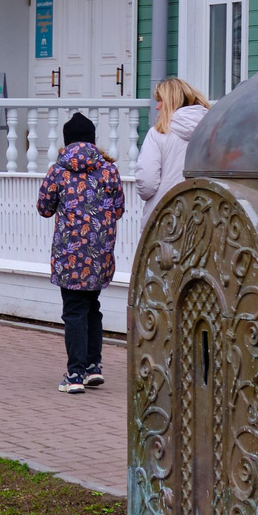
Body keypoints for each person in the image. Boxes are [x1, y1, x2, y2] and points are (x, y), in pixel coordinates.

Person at [35, 111, 124, 394]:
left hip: (69, 254)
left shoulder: (58, 171)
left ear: (67, 141)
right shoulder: (108, 170)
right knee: (92, 309)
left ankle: (74, 375)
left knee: (74, 311)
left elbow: (44, 208)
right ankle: (92, 367)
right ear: (92, 141)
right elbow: (119, 209)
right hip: (99, 253)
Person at [131, 78, 211, 217]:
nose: (157, 106)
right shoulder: (212, 131)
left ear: (171, 102)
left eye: (160, 100)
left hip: (166, 215)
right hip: (204, 213)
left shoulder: (158, 133)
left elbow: (147, 182)